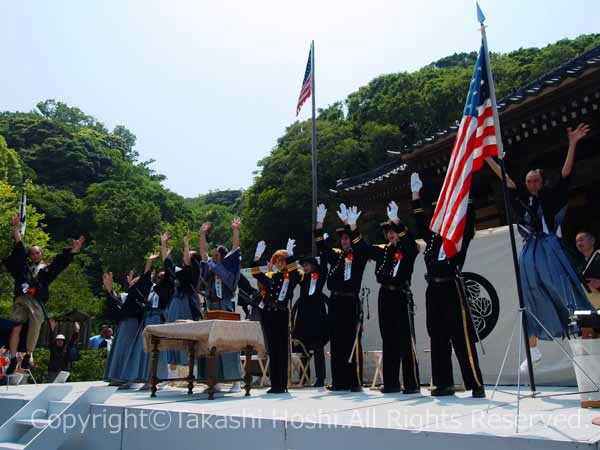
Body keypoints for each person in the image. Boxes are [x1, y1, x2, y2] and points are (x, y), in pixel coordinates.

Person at [486, 123, 593, 369]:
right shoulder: (521, 198)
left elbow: (566, 175)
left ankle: (585, 333)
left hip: (550, 249)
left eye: (535, 180)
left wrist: (572, 144)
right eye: (529, 181)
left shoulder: (550, 196)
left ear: (542, 182)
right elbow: (505, 179)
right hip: (530, 252)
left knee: (565, 290)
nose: (532, 184)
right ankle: (532, 348)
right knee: (529, 295)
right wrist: (487, 159)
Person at [411, 172, 485, 398]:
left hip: (452, 287)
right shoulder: (432, 238)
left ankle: (475, 383)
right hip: (433, 289)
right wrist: (415, 195)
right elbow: (419, 221)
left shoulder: (457, 237)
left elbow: (469, 218)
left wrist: (466, 193)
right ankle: (444, 384)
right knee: (438, 336)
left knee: (461, 337)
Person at [3, 214, 84, 375]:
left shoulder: (46, 270)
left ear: (41, 254)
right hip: (21, 298)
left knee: (34, 327)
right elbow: (19, 245)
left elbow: (60, 264)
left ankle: (27, 354)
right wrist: (15, 227)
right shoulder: (23, 268)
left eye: (37, 253)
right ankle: (12, 357)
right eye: (31, 253)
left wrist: (73, 251)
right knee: (15, 326)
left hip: (35, 301)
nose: (34, 255)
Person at [363, 201, 420, 394]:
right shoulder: (383, 251)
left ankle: (411, 384)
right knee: (388, 339)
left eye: (393, 231)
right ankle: (391, 382)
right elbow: (363, 249)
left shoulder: (408, 249)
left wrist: (398, 221)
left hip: (401, 293)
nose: (390, 234)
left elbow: (411, 242)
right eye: (388, 232)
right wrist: (352, 228)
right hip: (385, 295)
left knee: (405, 339)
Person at [314, 204, 369, 392]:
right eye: (343, 239)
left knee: (351, 341)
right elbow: (321, 246)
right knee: (337, 342)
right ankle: (339, 381)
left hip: (350, 301)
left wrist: (351, 225)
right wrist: (319, 223)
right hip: (336, 302)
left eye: (348, 238)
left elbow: (362, 245)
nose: (345, 241)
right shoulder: (337, 258)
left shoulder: (359, 256)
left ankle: (354, 381)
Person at [197, 218, 243, 393]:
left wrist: (235, 231)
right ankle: (213, 380)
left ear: (223, 257)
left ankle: (236, 381)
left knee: (229, 344)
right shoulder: (210, 268)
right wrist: (202, 234)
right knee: (211, 346)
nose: (213, 257)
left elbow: (235, 249)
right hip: (212, 308)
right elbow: (203, 254)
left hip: (225, 308)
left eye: (217, 255)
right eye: (213, 255)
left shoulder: (228, 268)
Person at [251, 238, 300, 394]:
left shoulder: (292, 277)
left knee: (281, 349)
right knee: (272, 349)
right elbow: (257, 274)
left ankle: (282, 384)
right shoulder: (272, 277)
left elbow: (294, 273)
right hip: (269, 314)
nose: (279, 263)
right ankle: (275, 383)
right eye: (277, 261)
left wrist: (291, 255)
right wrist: (257, 258)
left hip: (281, 314)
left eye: (282, 260)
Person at [161, 232, 202, 366]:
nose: (187, 254)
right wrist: (163, 244)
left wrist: (186, 244)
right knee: (172, 331)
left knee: (185, 332)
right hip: (176, 302)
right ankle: (173, 362)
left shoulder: (194, 272)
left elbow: (187, 261)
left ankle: (188, 363)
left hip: (186, 303)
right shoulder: (180, 272)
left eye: (190, 253)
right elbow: (167, 263)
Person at [102, 270, 148, 385]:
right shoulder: (128, 297)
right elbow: (118, 305)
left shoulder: (143, 297)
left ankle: (125, 377)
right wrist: (109, 289)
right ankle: (118, 377)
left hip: (132, 327)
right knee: (120, 350)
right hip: (124, 325)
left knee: (126, 351)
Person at [291, 255, 329, 387]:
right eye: (304, 265)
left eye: (307, 265)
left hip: (318, 319)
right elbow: (293, 273)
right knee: (303, 348)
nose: (305, 267)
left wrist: (323, 248)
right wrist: (291, 257)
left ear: (313, 266)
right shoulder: (303, 278)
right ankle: (304, 377)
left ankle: (320, 378)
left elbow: (324, 268)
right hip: (304, 319)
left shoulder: (319, 276)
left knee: (318, 349)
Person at [575, 231, 600, 308]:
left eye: (581, 240)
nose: (579, 243)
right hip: (593, 308)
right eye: (577, 242)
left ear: (592, 241)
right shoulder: (579, 265)